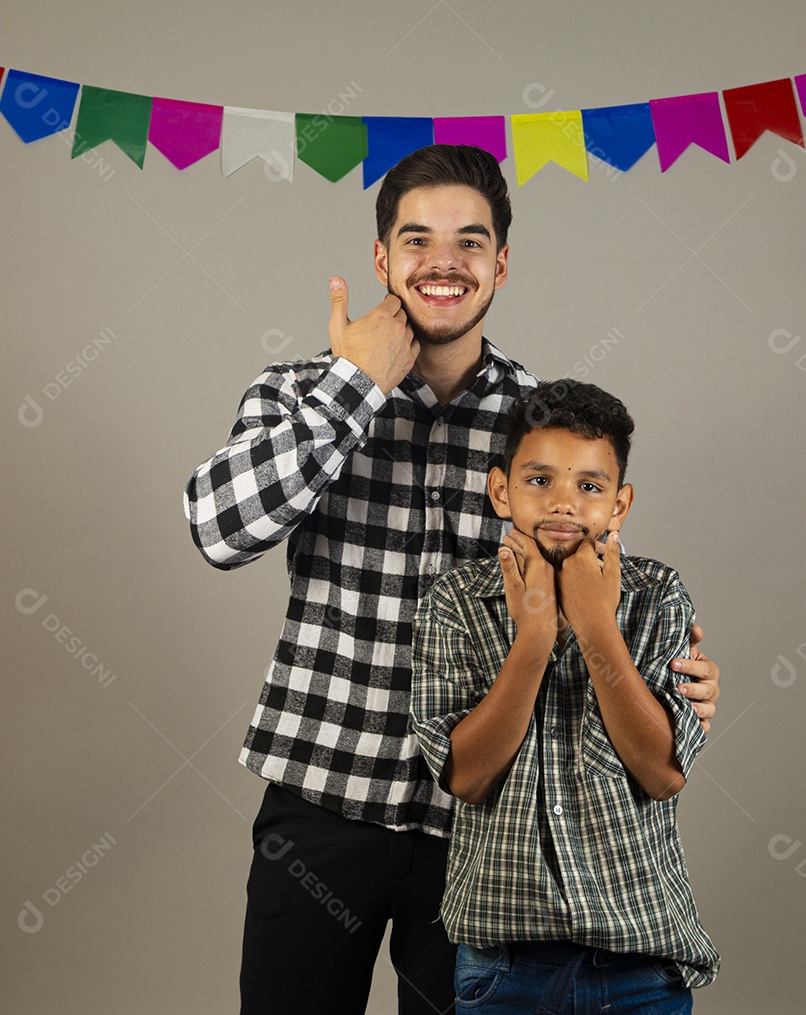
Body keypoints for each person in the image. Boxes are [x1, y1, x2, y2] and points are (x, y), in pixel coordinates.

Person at [184, 144, 721, 1015]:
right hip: (323, 796)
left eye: (470, 242)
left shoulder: (537, 426)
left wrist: (676, 679)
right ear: (382, 259)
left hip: (479, 827)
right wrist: (358, 382)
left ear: (500, 264)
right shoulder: (302, 395)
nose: (444, 261)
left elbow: (595, 583)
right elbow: (219, 530)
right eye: (418, 239)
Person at [411, 379, 719, 1012]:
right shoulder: (455, 602)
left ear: (620, 503)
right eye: (539, 480)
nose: (563, 504)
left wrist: (597, 624)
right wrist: (534, 637)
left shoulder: (656, 596)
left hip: (638, 964)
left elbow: (661, 773)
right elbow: (465, 776)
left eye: (589, 486)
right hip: (503, 968)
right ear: (501, 490)